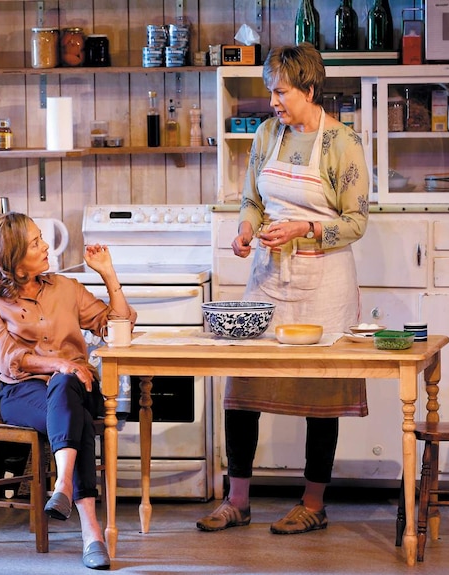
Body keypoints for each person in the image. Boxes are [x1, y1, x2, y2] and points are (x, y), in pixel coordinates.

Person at [196, 43, 369, 535]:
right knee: (243, 386)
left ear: (310, 90)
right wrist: (247, 230)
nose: (273, 101)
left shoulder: (343, 143)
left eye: (281, 91)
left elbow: (357, 222)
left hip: (324, 282)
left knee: (320, 393)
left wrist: (304, 230)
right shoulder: (268, 134)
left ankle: (313, 503)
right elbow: (252, 198)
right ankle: (238, 500)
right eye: (271, 91)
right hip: (269, 280)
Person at [0, 212, 137, 570]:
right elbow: (8, 356)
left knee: (67, 386)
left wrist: (108, 274)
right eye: (35, 243)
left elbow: (118, 328)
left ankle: (61, 485)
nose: (45, 246)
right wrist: (59, 364)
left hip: (79, 386)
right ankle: (91, 533)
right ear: (12, 260)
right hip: (21, 394)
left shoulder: (66, 288)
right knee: (71, 408)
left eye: (41, 238)